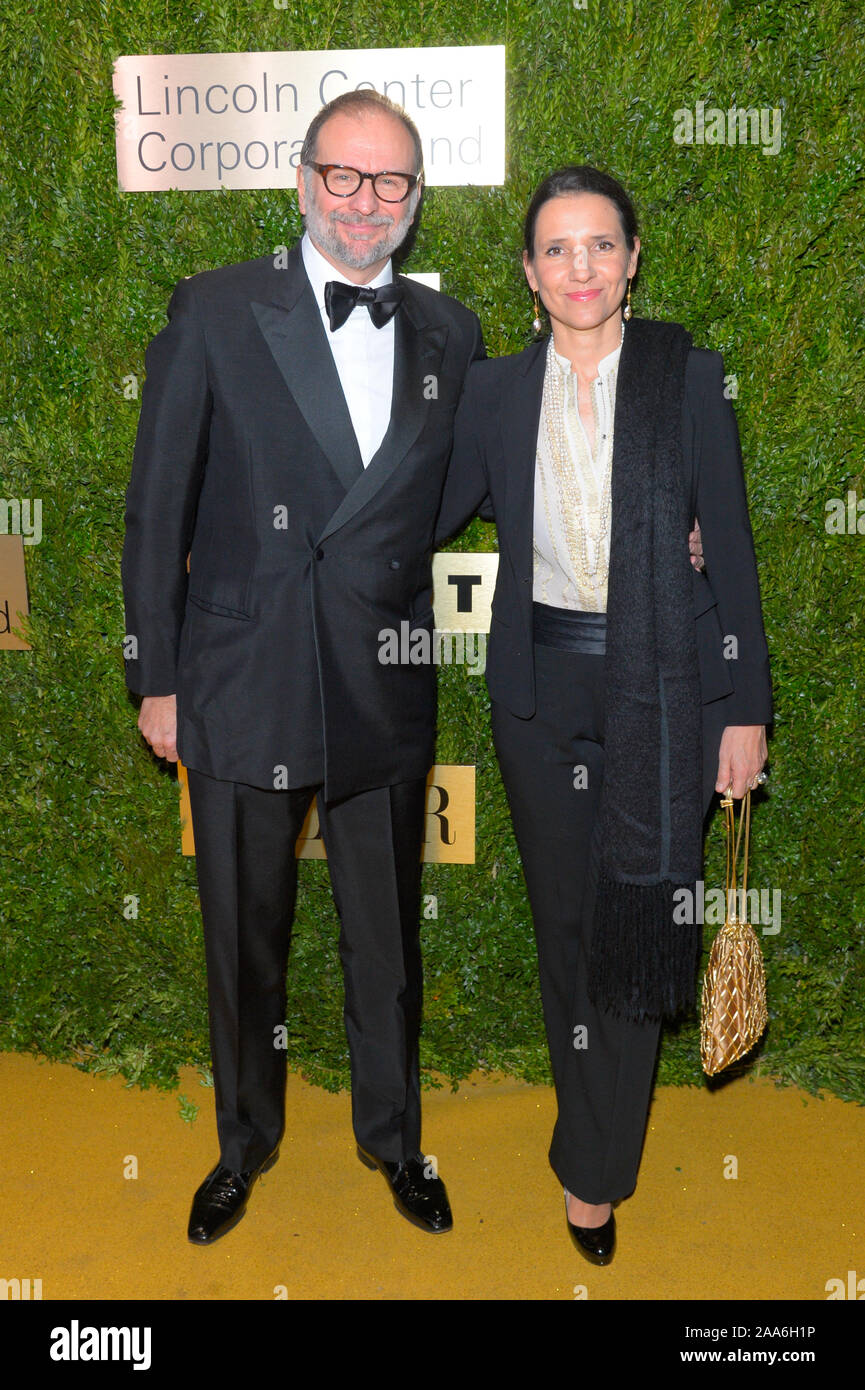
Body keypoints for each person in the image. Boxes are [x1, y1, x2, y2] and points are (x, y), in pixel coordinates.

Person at [122, 89, 485, 1244]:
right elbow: (154, 506)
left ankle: (393, 1137)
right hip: (240, 672)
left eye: (390, 183)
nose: (364, 202)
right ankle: (243, 1145)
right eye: (344, 175)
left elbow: (467, 488)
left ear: (415, 203)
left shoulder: (453, 333)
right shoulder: (218, 310)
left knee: (386, 942)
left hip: (379, 674)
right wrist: (158, 675)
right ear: (301, 180)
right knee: (243, 937)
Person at [435, 166, 771, 1264]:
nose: (578, 267)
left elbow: (728, 543)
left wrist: (743, 708)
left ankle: (592, 1171)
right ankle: (589, 1131)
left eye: (599, 246)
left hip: (665, 687)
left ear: (631, 260)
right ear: (529, 274)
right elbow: (417, 509)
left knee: (640, 931)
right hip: (542, 699)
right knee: (567, 935)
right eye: (554, 249)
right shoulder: (490, 394)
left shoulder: (687, 378)